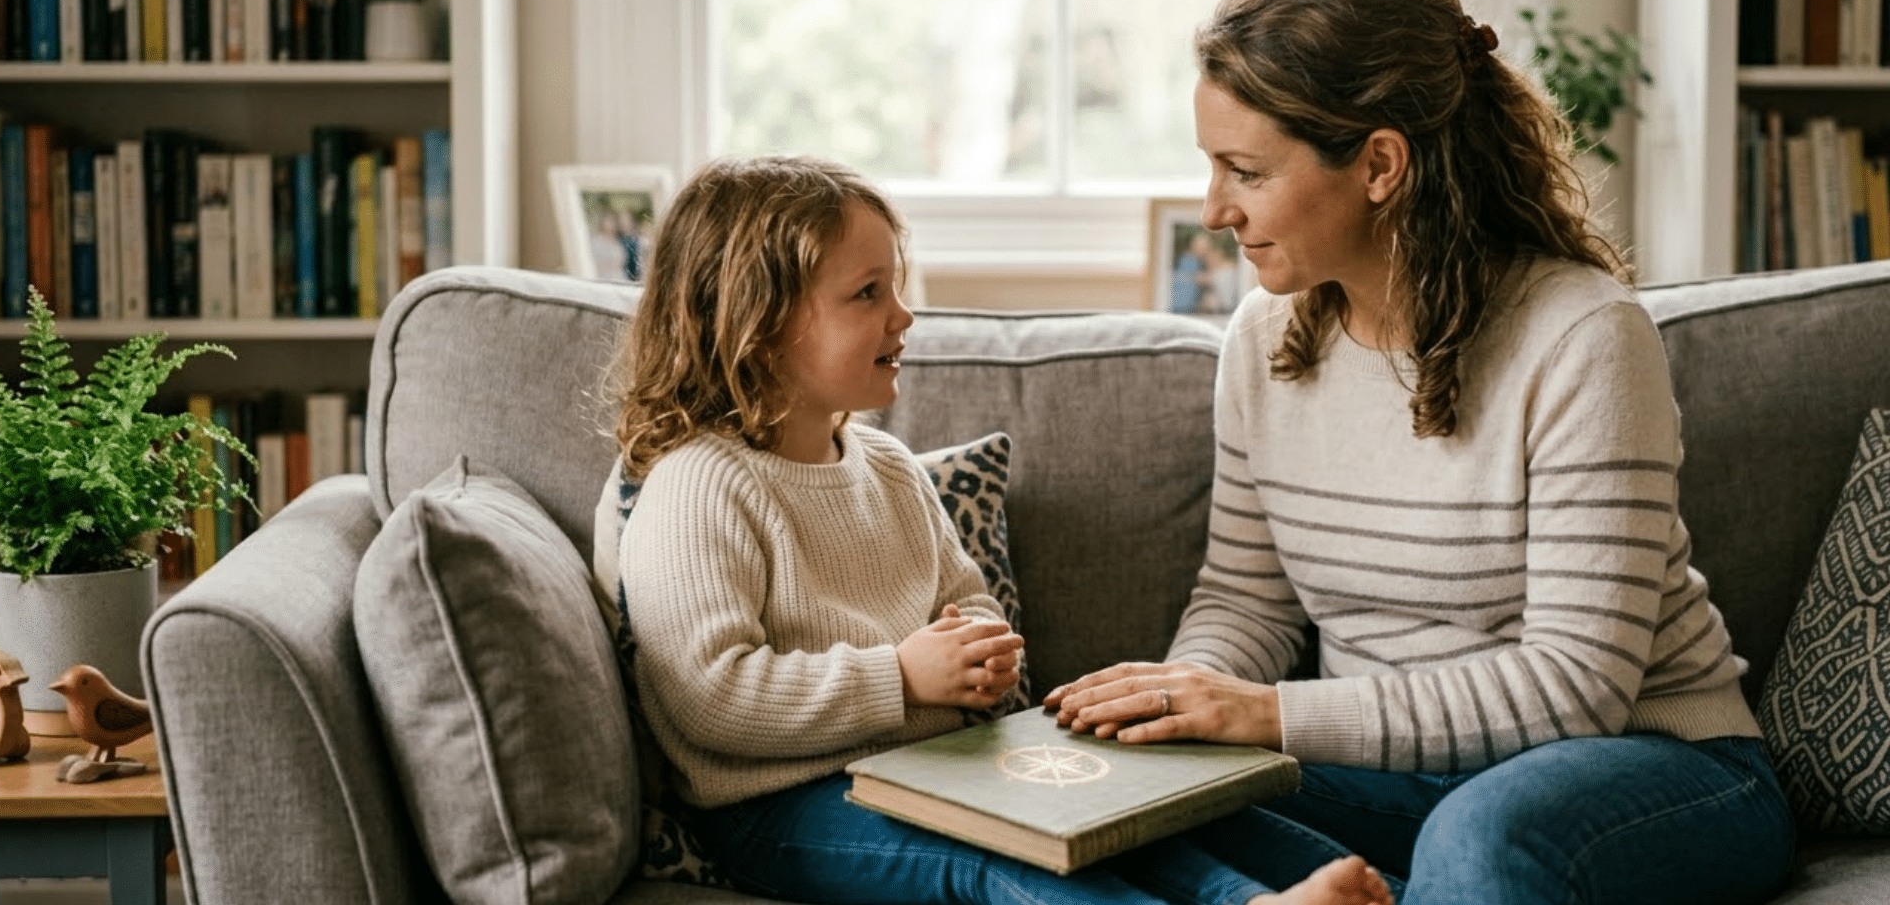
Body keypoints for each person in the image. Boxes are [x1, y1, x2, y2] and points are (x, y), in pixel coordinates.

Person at [1044, 0, 1797, 905]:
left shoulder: (1584, 336)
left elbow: (1575, 685)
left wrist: (1262, 712)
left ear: (1380, 164)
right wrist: (1178, 709)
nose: (1215, 210)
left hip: (1646, 765)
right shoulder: (1263, 338)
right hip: (1397, 779)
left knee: (1485, 836)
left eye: (1247, 170)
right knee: (1126, 803)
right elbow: (1247, 602)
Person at [596, 153, 1393, 905]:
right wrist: (900, 678)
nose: (904, 316)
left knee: (1130, 807)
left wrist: (980, 648)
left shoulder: (886, 466)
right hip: (780, 806)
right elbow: (708, 696)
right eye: (868, 293)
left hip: (944, 766)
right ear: (760, 325)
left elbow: (966, 598)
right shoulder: (701, 482)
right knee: (998, 858)